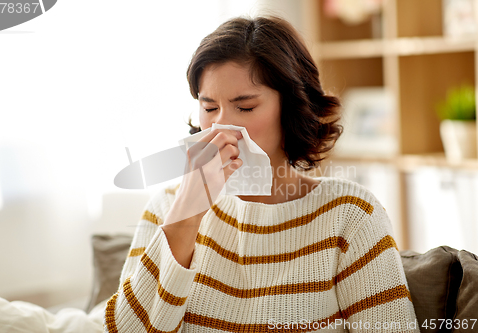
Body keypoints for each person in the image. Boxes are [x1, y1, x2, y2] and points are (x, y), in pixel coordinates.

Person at [104, 16, 420, 332]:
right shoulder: (166, 207)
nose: (221, 128)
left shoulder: (350, 215)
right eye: (210, 108)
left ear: (292, 110)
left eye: (245, 107)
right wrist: (186, 214)